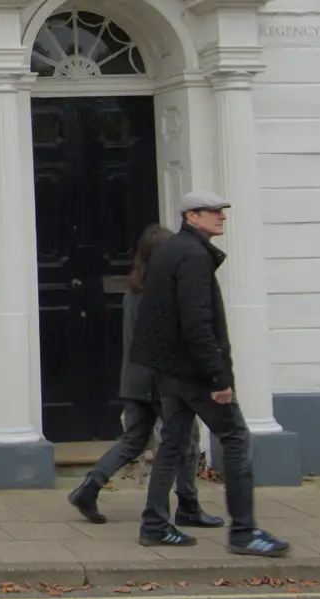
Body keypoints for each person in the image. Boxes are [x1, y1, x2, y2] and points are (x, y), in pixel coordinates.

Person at [130, 190, 290, 557]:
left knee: (171, 442)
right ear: (192, 216)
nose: (222, 217)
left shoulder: (169, 250)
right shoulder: (193, 255)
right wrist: (218, 379)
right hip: (194, 371)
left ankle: (154, 524)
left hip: (170, 367)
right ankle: (244, 532)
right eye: (214, 212)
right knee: (235, 437)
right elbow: (198, 322)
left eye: (222, 211)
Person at [66, 223, 222, 529]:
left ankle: (89, 488)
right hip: (162, 379)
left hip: (134, 377)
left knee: (133, 440)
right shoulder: (163, 290)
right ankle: (188, 505)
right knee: (186, 441)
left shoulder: (134, 288)